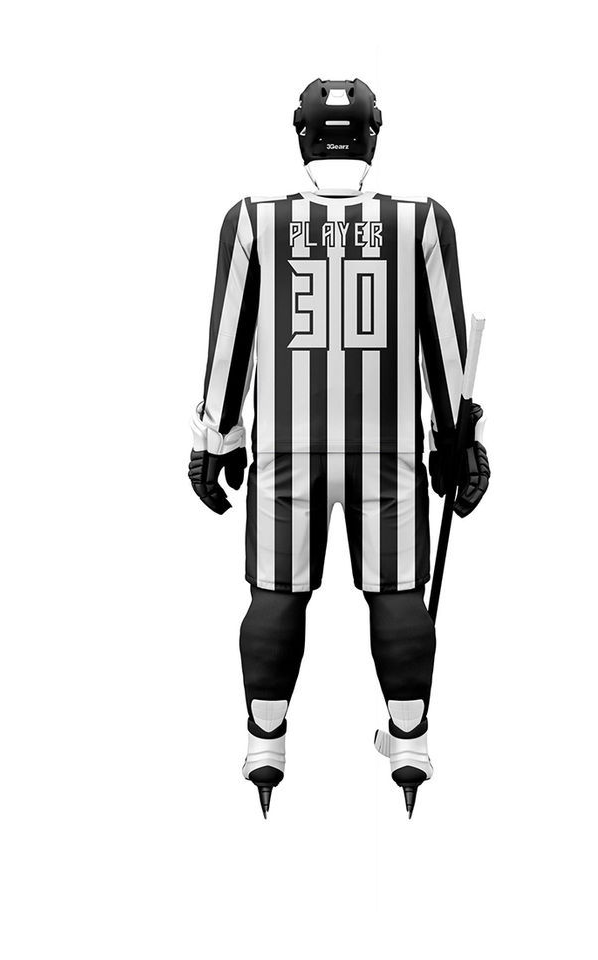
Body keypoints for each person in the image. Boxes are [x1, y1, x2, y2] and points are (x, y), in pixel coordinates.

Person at [188, 78, 490, 818]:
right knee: (397, 593)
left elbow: (229, 341)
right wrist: (459, 442)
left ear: (302, 135)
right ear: (372, 135)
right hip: (386, 449)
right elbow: (446, 350)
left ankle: (265, 743)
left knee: (275, 592)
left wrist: (215, 438)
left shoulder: (253, 220)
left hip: (286, 448)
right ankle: (410, 740)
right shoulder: (421, 220)